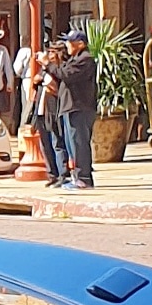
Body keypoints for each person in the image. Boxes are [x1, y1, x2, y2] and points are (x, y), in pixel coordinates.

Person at [51, 25, 98, 188]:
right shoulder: (73, 59)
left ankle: (83, 178)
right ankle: (76, 176)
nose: (67, 45)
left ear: (80, 43)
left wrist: (48, 65)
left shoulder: (85, 59)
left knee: (79, 144)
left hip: (80, 107)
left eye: (70, 42)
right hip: (70, 107)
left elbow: (66, 75)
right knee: (72, 145)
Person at [31, 41, 66, 185]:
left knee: (57, 143)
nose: (49, 55)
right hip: (41, 110)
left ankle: (63, 174)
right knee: (45, 144)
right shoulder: (45, 69)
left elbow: (59, 88)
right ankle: (52, 174)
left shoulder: (60, 69)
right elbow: (37, 83)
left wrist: (51, 86)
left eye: (52, 52)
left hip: (54, 110)